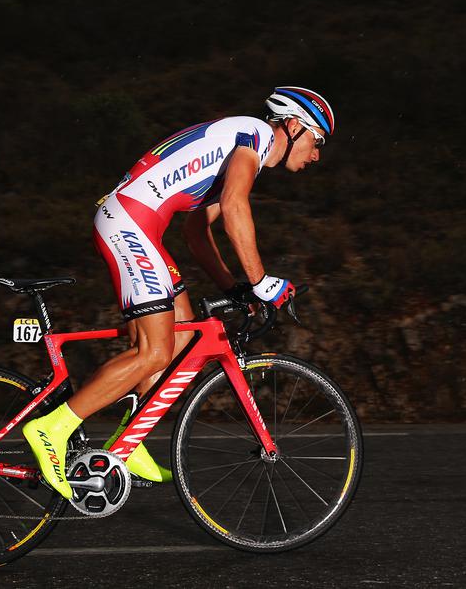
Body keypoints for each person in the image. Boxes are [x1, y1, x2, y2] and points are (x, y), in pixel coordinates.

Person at [23, 86, 335, 494]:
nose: (316, 155)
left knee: (184, 335)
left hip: (139, 225)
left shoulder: (241, 147)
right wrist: (261, 282)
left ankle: (128, 441)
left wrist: (235, 287)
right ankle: (52, 428)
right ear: (294, 126)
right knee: (153, 350)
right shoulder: (254, 135)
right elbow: (236, 208)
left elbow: (196, 230)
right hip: (130, 223)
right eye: (317, 141)